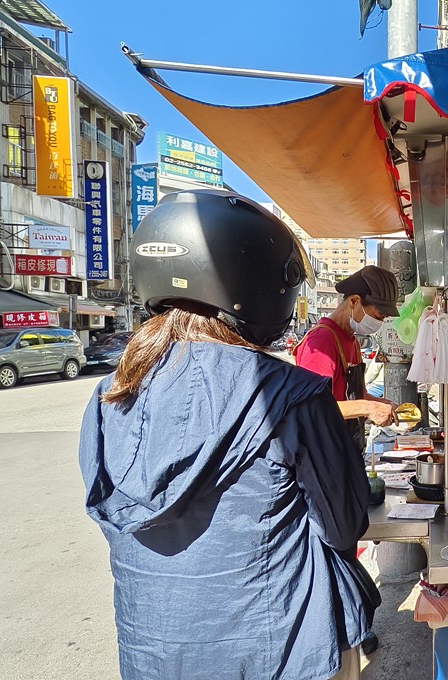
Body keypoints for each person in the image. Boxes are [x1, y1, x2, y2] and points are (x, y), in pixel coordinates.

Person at [79, 189, 378, 679]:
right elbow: (345, 526)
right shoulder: (292, 394)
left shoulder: (108, 398)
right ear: (259, 284)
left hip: (154, 655)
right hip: (284, 648)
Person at [293, 265, 401, 452]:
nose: (380, 323)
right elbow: (312, 408)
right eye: (378, 315)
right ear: (354, 301)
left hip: (347, 447)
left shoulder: (353, 342)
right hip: (323, 452)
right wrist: (368, 408)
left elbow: (356, 395)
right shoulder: (321, 342)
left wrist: (382, 405)